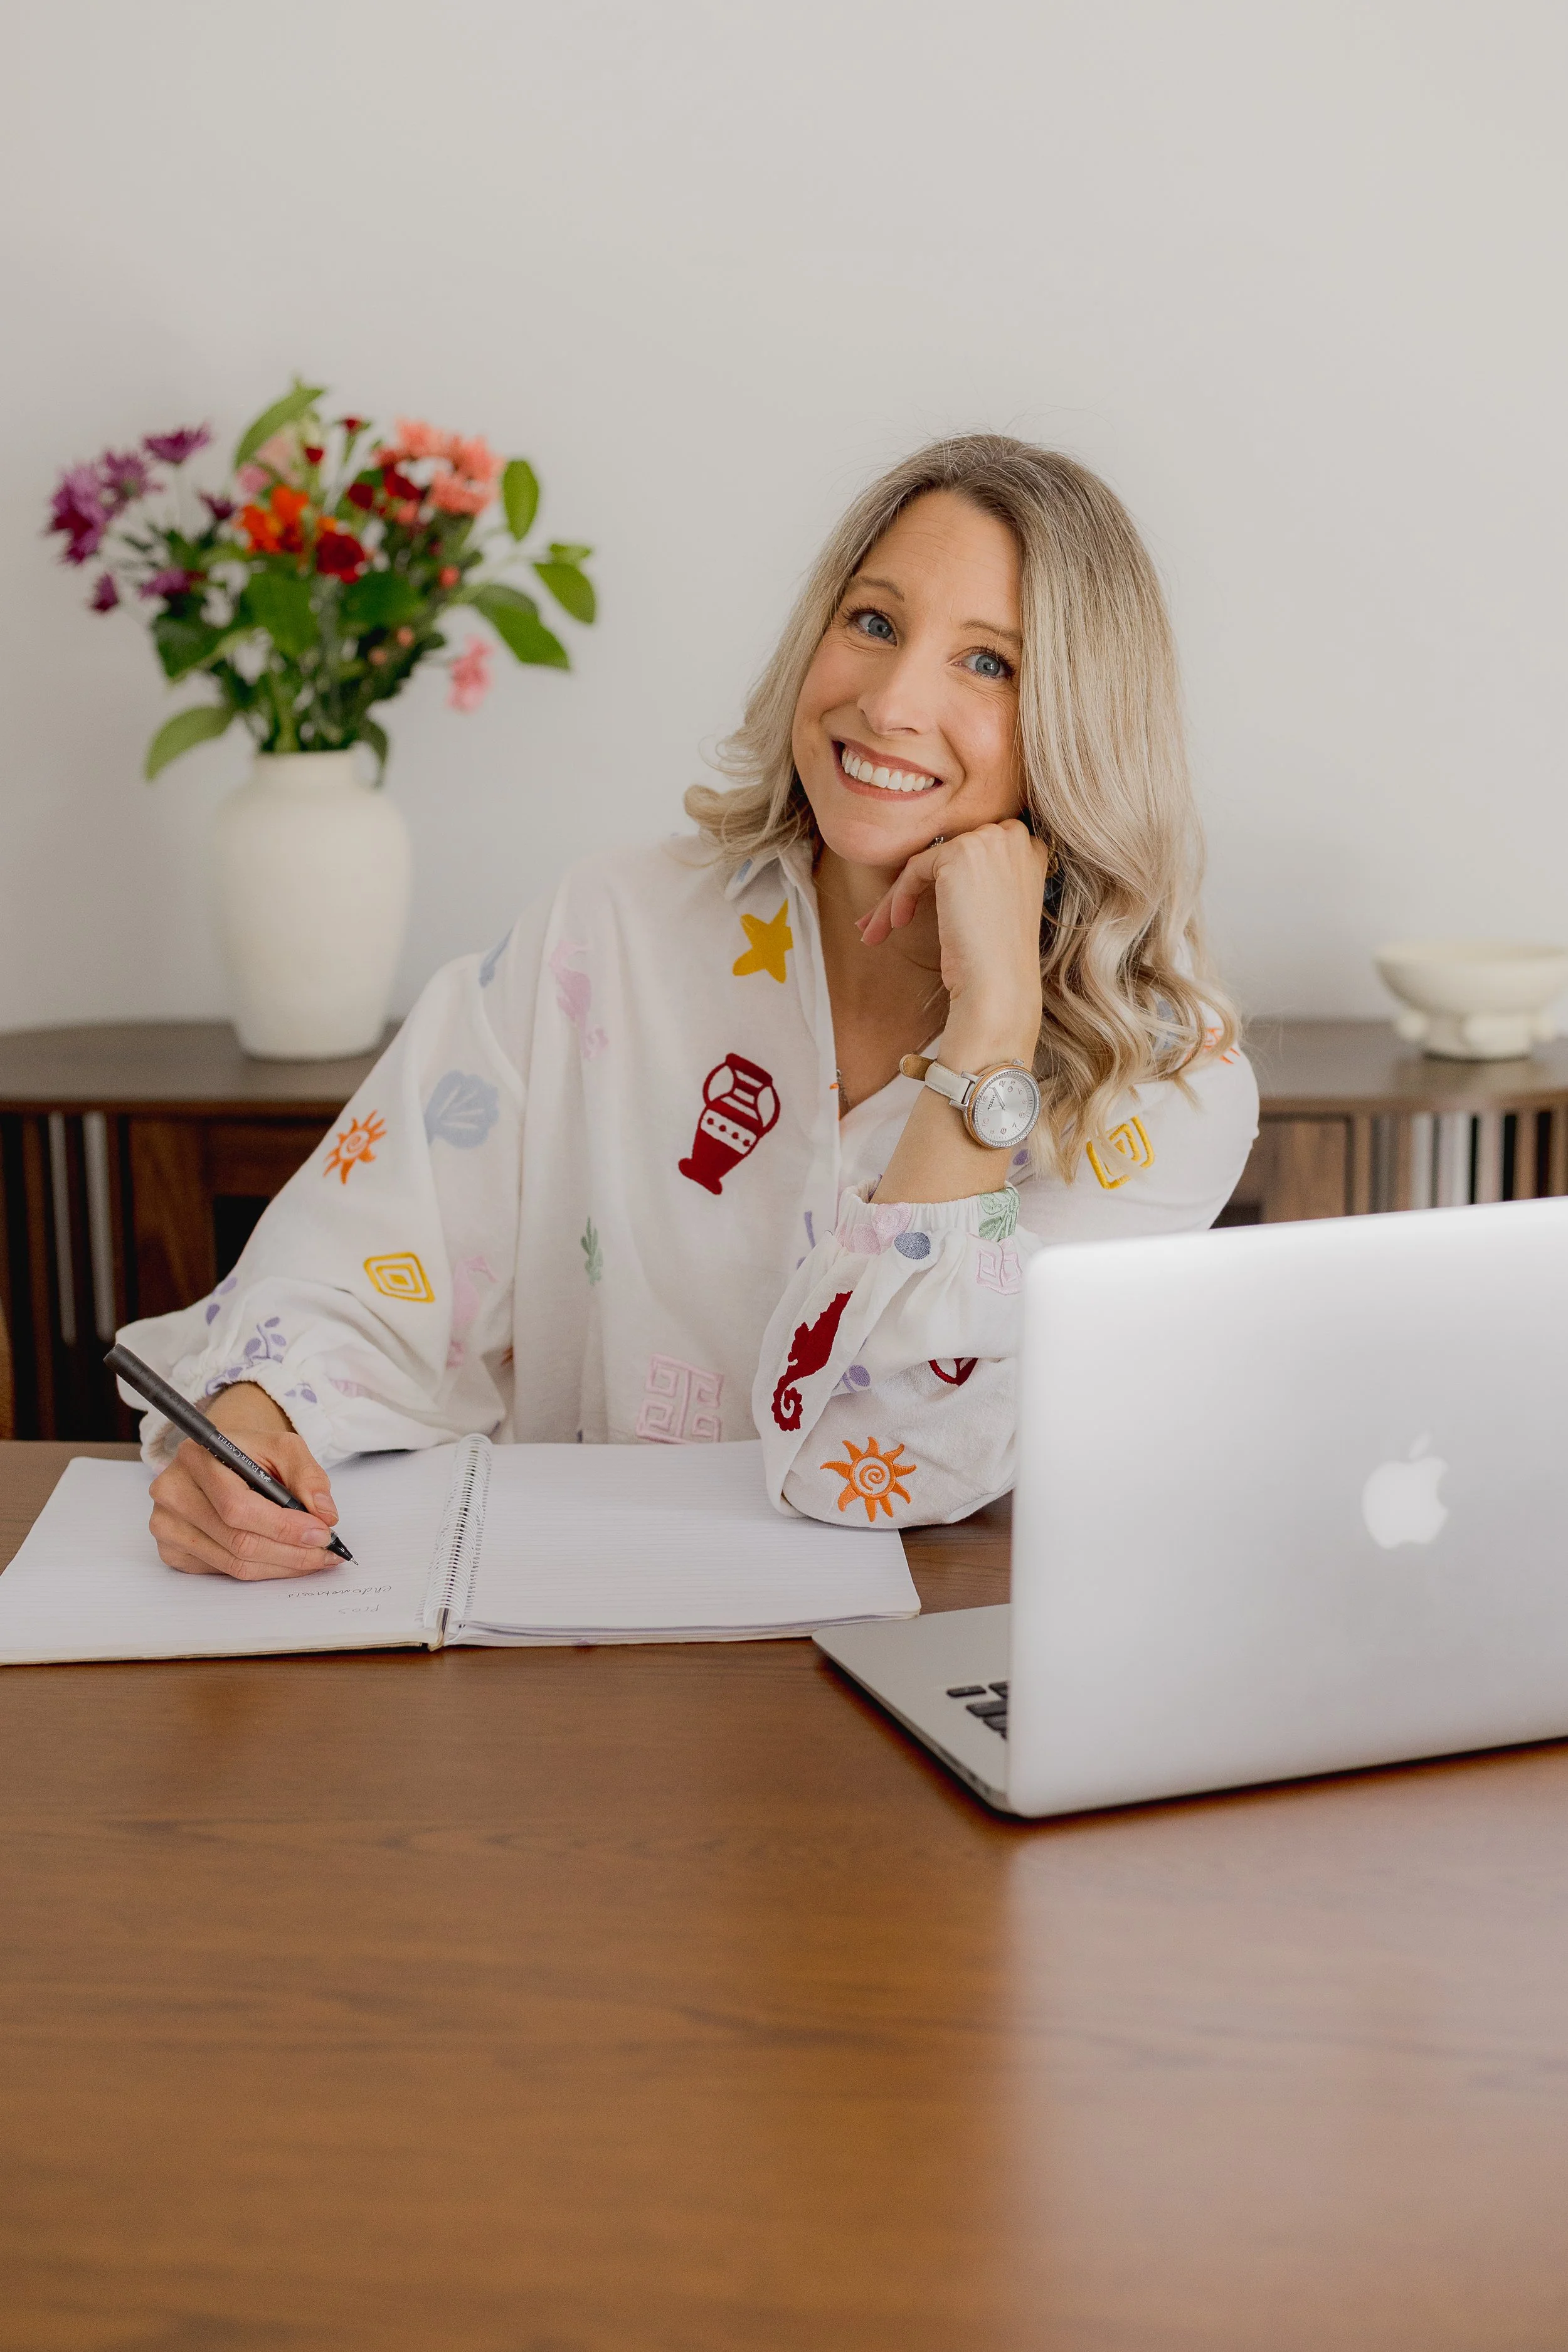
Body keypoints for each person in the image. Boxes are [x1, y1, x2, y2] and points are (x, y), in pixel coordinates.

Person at [120, 433, 1258, 1578]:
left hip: (926, 1688)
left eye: (990, 665)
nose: (893, 701)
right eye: (873, 622)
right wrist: (263, 1412)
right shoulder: (609, 927)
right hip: (580, 1675)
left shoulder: (1169, 1082)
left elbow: (875, 1459)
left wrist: (990, 1032)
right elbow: (370, 1253)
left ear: (1084, 717)